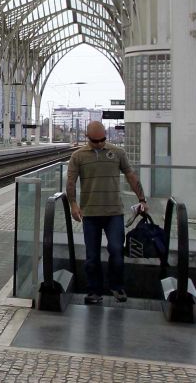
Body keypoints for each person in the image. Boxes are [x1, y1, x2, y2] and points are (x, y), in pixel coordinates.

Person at [66, 121, 147, 305]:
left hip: (114, 212)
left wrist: (142, 199)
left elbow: (131, 175)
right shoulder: (78, 156)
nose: (100, 143)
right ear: (88, 138)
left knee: (117, 251)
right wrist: (73, 204)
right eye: (95, 141)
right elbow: (71, 181)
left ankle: (117, 286)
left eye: (103, 139)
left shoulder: (117, 153)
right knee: (92, 256)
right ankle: (94, 291)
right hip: (90, 214)